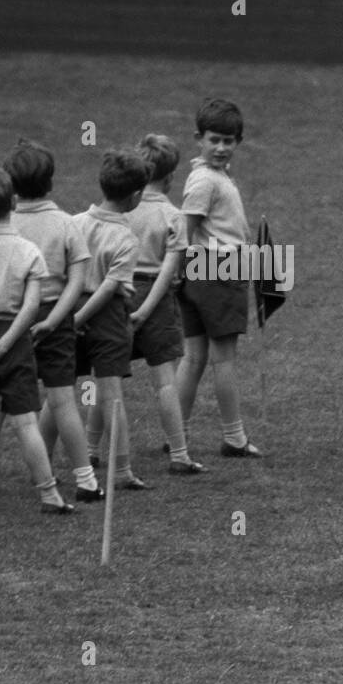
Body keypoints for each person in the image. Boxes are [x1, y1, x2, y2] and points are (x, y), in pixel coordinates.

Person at [0, 140, 102, 502]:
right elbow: (78, 280)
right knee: (62, 399)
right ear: (50, 181)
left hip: (7, 320)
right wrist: (58, 320)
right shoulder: (65, 223)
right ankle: (86, 480)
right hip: (55, 320)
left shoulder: (1, 221)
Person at [87, 135, 209, 475]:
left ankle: (90, 449)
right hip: (154, 299)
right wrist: (146, 309)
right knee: (165, 380)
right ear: (171, 177)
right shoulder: (173, 216)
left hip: (115, 296)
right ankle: (180, 454)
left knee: (107, 378)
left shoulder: (123, 207)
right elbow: (170, 272)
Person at [0, 165, 75, 513]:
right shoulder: (28, 251)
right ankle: (49, 494)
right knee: (26, 420)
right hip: (14, 339)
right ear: (13, 201)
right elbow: (31, 308)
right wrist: (10, 341)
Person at [175, 98, 263, 459]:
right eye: (214, 140)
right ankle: (234, 436)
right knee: (223, 359)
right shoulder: (206, 182)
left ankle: (175, 431)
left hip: (202, 271)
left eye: (229, 141)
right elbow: (185, 230)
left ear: (238, 142)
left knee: (194, 357)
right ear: (199, 138)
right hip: (218, 272)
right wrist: (177, 272)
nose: (222, 148)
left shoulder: (208, 176)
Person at [73, 151, 152, 490]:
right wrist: (82, 317)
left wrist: (70, 317)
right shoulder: (126, 238)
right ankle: (120, 471)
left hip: (70, 307)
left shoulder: (74, 222)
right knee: (111, 394)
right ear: (136, 196)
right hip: (105, 319)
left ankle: (46, 461)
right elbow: (109, 288)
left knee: (60, 391)